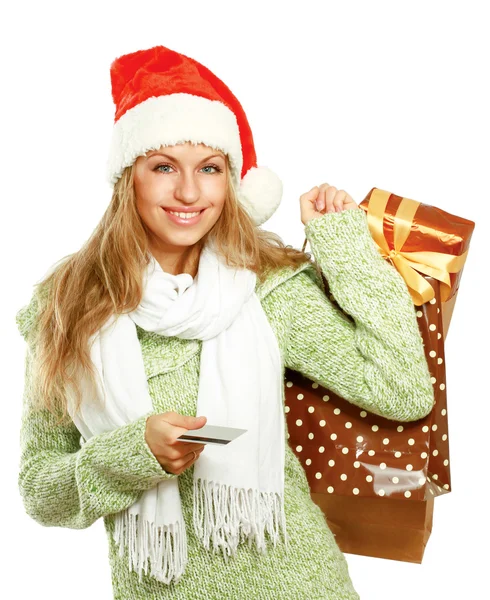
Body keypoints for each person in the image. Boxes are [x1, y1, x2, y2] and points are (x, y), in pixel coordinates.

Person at [15, 45, 435, 600]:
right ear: (128, 178)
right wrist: (133, 454)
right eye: (164, 167)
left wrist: (344, 248)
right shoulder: (67, 307)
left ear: (230, 181)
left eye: (209, 169)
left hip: (301, 585)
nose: (189, 193)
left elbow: (403, 391)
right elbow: (42, 492)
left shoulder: (260, 287)